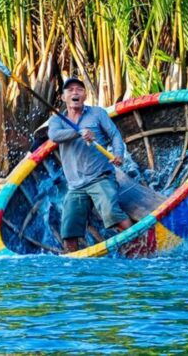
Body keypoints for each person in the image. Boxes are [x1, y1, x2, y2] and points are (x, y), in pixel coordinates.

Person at [47, 77, 133, 252]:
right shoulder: (57, 120)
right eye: (70, 90)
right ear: (63, 97)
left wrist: (118, 154)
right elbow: (55, 136)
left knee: (111, 214)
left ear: (85, 95)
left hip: (100, 177)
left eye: (79, 89)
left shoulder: (97, 113)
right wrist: (78, 132)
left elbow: (115, 135)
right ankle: (75, 266)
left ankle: (141, 247)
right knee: (69, 232)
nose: (75, 92)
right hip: (75, 185)